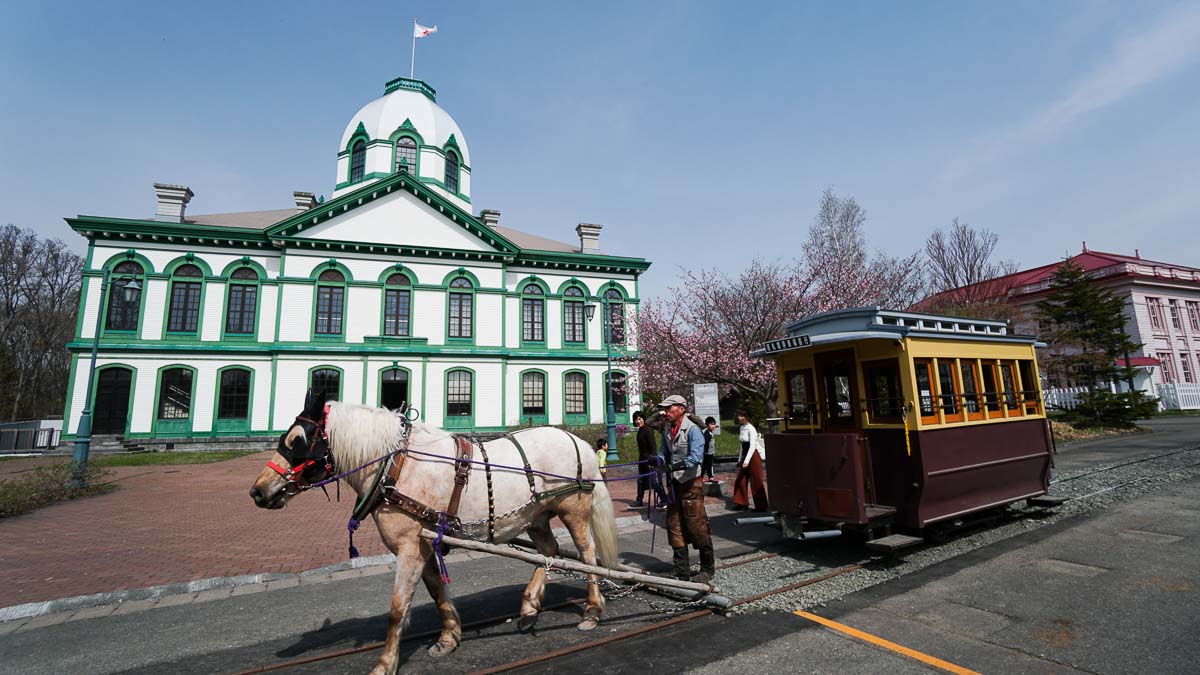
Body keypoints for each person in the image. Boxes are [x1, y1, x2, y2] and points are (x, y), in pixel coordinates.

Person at [657, 394, 715, 583]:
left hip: (691, 484)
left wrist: (673, 467)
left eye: (669, 408)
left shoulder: (693, 430)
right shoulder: (667, 428)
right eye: (666, 409)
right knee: (674, 525)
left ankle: (707, 569)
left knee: (697, 525)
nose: (666, 412)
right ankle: (681, 568)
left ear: (681, 409)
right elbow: (664, 452)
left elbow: (696, 458)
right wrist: (658, 460)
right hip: (675, 485)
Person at [732, 409, 768, 511]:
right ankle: (741, 502)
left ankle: (761, 506)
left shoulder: (751, 429)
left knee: (756, 480)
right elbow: (741, 445)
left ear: (747, 417)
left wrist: (747, 461)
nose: (739, 418)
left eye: (742, 416)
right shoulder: (742, 428)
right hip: (745, 453)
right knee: (740, 479)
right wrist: (740, 459)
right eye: (739, 416)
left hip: (753, 455)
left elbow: (752, 445)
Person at [633, 410, 656, 507]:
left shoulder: (647, 430)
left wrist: (653, 460)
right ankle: (639, 500)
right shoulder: (641, 430)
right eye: (636, 420)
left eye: (640, 419)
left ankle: (663, 498)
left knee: (653, 482)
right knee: (641, 480)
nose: (638, 421)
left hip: (648, 459)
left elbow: (653, 446)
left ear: (643, 419)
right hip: (642, 459)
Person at [702, 416, 718, 483]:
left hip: (709, 453)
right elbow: (706, 442)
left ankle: (701, 477)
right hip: (708, 453)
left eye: (714, 424)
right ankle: (711, 477)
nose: (713, 426)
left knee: (705, 466)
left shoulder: (710, 432)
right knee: (709, 465)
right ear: (707, 425)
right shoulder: (707, 433)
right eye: (711, 424)